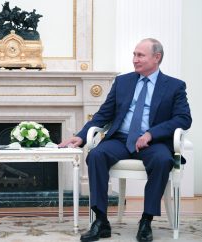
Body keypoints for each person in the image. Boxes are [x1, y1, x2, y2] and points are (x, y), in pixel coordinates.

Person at [59, 38, 191, 242]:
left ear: (157, 58)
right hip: (120, 139)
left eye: (140, 55)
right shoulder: (123, 82)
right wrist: (82, 136)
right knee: (96, 155)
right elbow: (104, 114)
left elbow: (183, 118)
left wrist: (151, 134)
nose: (135, 59)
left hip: (152, 142)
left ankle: (146, 220)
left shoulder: (174, 86)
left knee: (163, 160)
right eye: (134, 54)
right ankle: (101, 220)